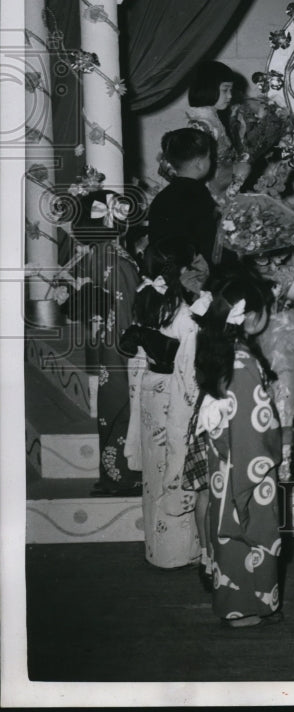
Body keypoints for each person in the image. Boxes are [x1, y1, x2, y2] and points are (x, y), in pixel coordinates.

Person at [191, 267, 293, 628]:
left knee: (229, 532)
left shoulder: (219, 349)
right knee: (253, 532)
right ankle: (247, 609)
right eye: (265, 308)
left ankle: (240, 604)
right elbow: (255, 428)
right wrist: (273, 453)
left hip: (225, 462)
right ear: (249, 316)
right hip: (247, 464)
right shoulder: (244, 363)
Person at [122, 238, 201, 570]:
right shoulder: (184, 314)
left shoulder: (144, 300)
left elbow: (137, 352)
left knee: (156, 469)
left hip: (150, 387)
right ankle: (178, 551)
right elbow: (189, 368)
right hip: (174, 392)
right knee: (175, 463)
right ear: (179, 271)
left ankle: (155, 547)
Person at [70, 189, 143, 497]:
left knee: (112, 408)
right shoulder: (116, 259)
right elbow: (126, 308)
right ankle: (123, 477)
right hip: (122, 344)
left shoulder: (95, 256)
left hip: (105, 342)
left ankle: (113, 475)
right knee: (123, 408)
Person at [148, 128, 221, 268]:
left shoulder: (162, 196)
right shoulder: (199, 194)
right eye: (209, 157)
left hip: (163, 270)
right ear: (199, 164)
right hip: (192, 273)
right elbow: (209, 243)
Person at [186, 60, 250, 204]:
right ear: (209, 88)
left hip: (223, 189)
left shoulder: (212, 119)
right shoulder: (202, 125)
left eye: (230, 90)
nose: (230, 96)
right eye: (225, 90)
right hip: (213, 196)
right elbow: (198, 172)